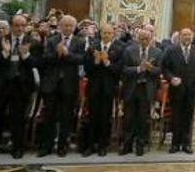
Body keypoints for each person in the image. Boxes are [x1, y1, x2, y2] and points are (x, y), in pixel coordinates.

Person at [0, 15, 35, 159]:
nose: (20, 28)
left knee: (17, 118)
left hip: (21, 85)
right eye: (17, 25)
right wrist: (4, 53)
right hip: (1, 84)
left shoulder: (32, 42)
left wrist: (26, 56)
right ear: (11, 26)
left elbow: (38, 64)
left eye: (23, 26)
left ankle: (17, 148)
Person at [37, 15, 85, 157]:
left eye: (71, 25)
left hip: (69, 84)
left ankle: (62, 146)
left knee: (66, 117)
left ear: (74, 27)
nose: (68, 28)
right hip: (52, 84)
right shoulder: (52, 40)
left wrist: (67, 54)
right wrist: (57, 54)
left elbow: (81, 59)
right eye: (65, 25)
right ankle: (47, 146)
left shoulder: (79, 42)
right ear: (60, 26)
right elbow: (44, 59)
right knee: (49, 115)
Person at [162, 28, 195, 154]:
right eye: (185, 35)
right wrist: (171, 78)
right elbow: (165, 68)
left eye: (189, 35)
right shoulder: (171, 50)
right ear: (180, 36)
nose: (187, 37)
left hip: (192, 89)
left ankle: (187, 144)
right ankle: (175, 144)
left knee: (188, 117)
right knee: (176, 117)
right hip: (177, 88)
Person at [83, 23, 124, 157]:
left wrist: (107, 63)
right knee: (92, 116)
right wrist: (95, 61)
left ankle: (102, 145)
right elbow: (86, 69)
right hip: (94, 87)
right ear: (100, 33)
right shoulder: (92, 47)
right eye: (104, 33)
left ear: (113, 34)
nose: (106, 35)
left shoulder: (118, 48)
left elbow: (119, 70)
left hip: (108, 88)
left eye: (109, 33)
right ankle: (89, 145)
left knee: (105, 117)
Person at [120, 28, 163, 156]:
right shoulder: (129, 50)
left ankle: (140, 144)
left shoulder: (158, 52)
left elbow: (159, 70)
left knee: (143, 118)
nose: (144, 41)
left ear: (151, 39)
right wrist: (139, 69)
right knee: (129, 117)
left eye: (147, 39)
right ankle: (127, 144)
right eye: (142, 39)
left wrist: (150, 68)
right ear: (137, 39)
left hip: (147, 89)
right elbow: (124, 69)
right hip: (131, 88)